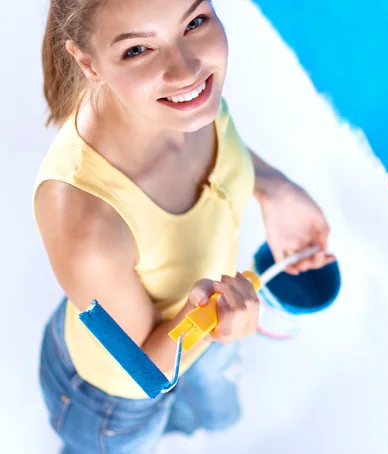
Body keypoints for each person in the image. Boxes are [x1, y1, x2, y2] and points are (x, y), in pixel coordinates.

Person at [33, 0, 336, 452]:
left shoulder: (186, 97)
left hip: (189, 340)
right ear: (87, 63)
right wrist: (216, 322)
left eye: (195, 21)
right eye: (137, 50)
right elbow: (145, 372)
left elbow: (211, 144)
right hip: (113, 402)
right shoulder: (85, 219)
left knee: (211, 417)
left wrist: (273, 188)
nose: (187, 68)